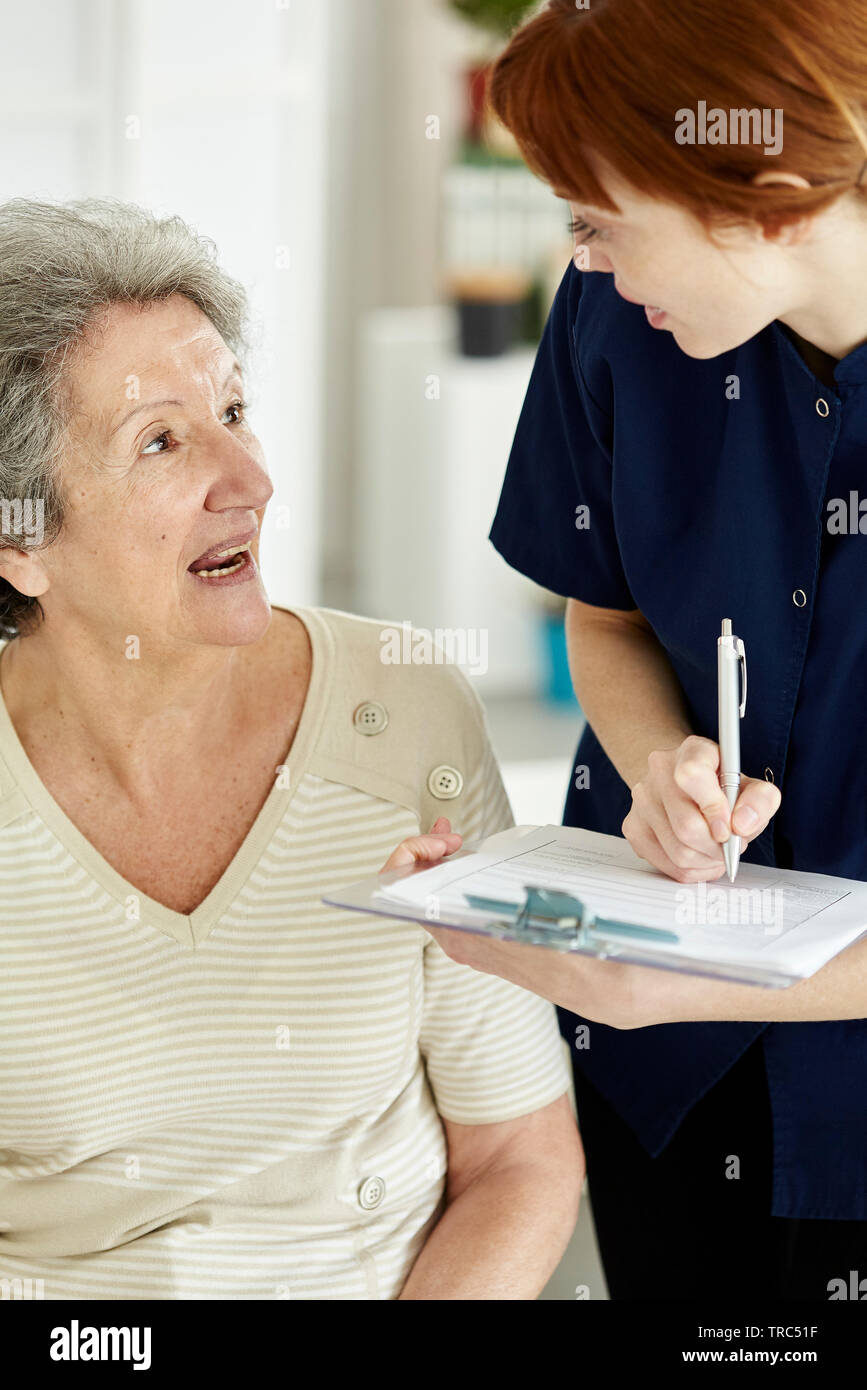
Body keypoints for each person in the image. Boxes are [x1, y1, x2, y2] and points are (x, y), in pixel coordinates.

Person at [0, 196, 582, 1301]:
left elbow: (520, 1159)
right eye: (160, 440)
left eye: (234, 409)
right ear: (21, 545)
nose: (251, 482)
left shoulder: (402, 706)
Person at [421, 0, 867, 1300]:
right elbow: (602, 609)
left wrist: (676, 989)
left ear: (763, 196)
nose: (581, 261)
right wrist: (653, 758)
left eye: (593, 218)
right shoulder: (619, 319)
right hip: (671, 1090)